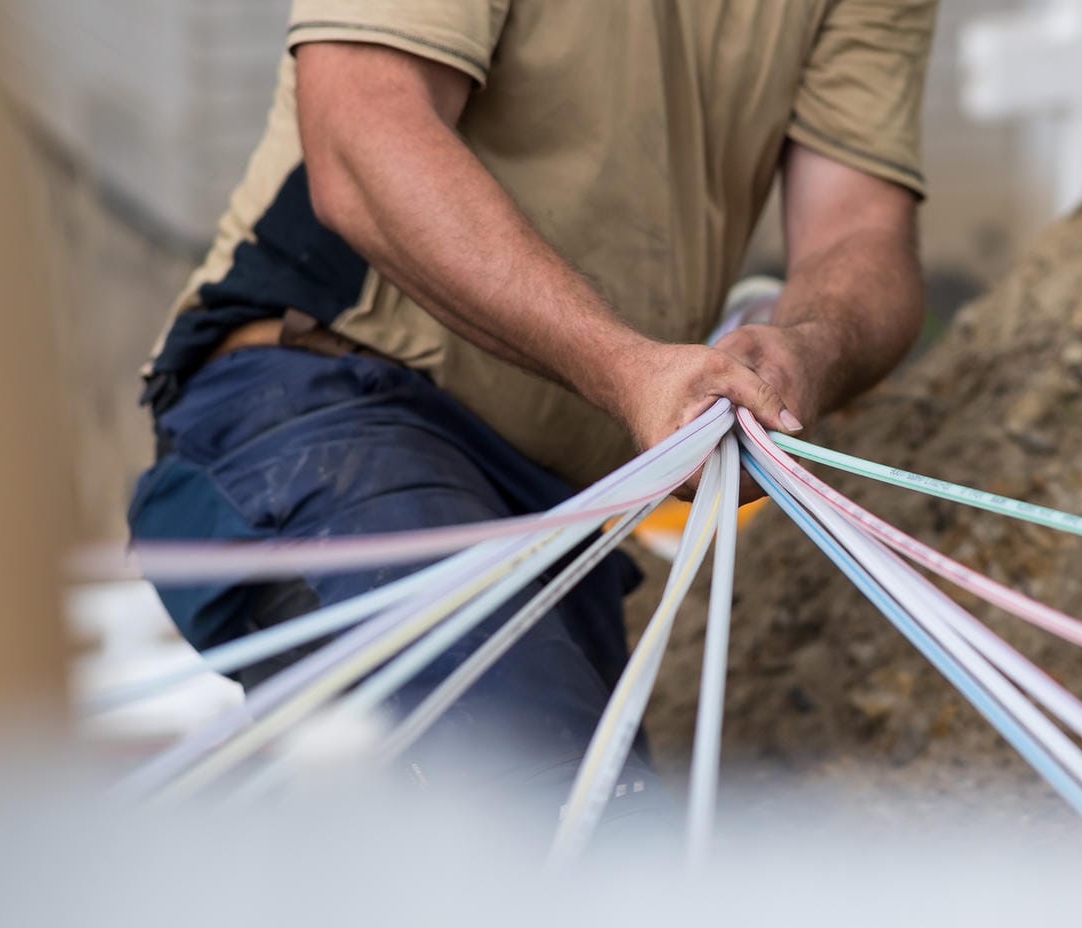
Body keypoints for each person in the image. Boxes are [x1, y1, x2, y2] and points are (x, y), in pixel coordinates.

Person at [130, 0, 936, 826]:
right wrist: (627, 368)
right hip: (325, 412)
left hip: (557, 515)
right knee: (568, 836)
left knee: (598, 859)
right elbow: (362, 127)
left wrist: (804, 348)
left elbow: (861, 224)